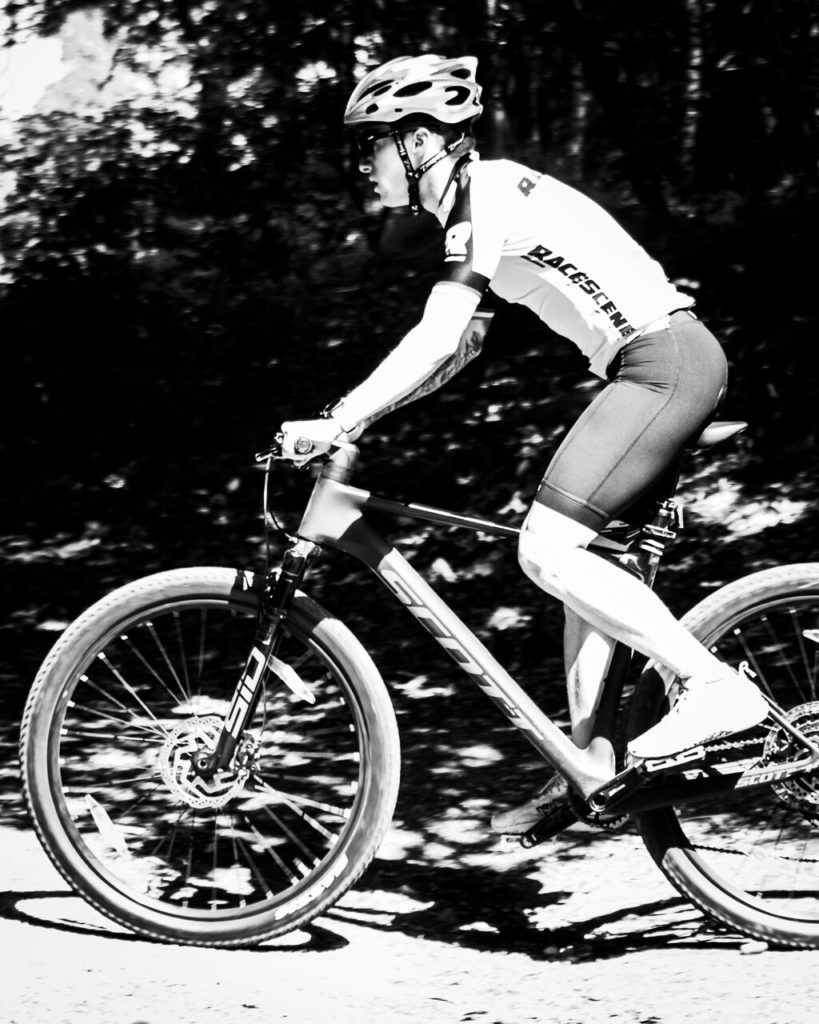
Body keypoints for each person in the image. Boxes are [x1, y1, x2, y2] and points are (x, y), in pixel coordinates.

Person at [280, 54, 768, 837]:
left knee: (544, 550)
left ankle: (713, 690)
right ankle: (588, 765)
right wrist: (361, 419)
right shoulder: (472, 211)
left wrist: (337, 419)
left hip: (661, 365)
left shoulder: (485, 193)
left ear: (417, 141)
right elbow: (462, 347)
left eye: (372, 144)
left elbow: (438, 334)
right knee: (583, 566)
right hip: (653, 366)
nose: (364, 163)